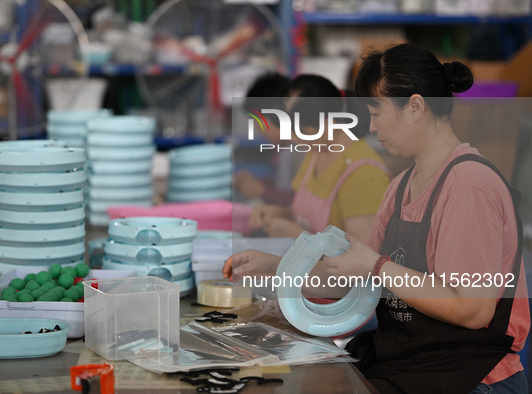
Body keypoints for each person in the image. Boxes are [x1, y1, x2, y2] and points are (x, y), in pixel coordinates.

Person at [225, 44, 530, 393]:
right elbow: (351, 276)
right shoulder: (401, 187)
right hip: (414, 362)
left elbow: (471, 310)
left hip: (472, 375)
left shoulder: (469, 185)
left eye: (375, 111)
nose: (370, 125)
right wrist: (278, 267)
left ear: (415, 107)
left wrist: (378, 266)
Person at [247, 74, 391, 239]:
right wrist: (280, 213)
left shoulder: (364, 174)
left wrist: (301, 236)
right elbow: (305, 213)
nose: (294, 139)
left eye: (303, 132)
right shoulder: (316, 151)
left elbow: (364, 257)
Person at [234, 72, 294, 205]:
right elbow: (284, 187)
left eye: (258, 121)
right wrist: (259, 183)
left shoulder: (299, 151)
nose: (257, 128)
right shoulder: (282, 149)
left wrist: (262, 191)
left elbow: (299, 202)